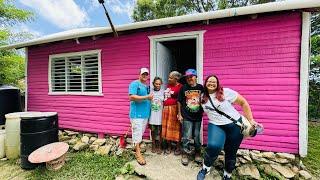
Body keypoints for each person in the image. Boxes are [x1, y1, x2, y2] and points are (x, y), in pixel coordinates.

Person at [197, 75, 257, 180]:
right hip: (216, 125)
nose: (211, 83)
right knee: (213, 146)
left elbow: (243, 103)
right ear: (205, 83)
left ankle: (227, 175)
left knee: (231, 151)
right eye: (209, 81)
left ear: (217, 84)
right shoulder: (201, 97)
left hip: (235, 125)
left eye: (214, 82)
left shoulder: (225, 92)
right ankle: (205, 168)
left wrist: (251, 120)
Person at [177, 69, 204, 166]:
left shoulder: (201, 87)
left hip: (198, 116)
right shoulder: (183, 88)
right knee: (186, 136)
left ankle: (197, 153)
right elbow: (179, 101)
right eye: (187, 77)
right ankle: (185, 153)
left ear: (196, 77)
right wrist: (179, 114)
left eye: (191, 76)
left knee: (197, 136)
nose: (189, 79)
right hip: (186, 116)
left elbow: (205, 99)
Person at [128, 68, 153, 165]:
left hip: (145, 114)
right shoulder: (135, 84)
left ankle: (137, 147)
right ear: (140, 74)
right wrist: (147, 97)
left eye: (146, 74)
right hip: (136, 114)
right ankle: (138, 154)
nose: (145, 76)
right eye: (143, 74)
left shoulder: (146, 86)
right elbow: (131, 97)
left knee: (140, 133)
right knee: (137, 133)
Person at [161, 71, 183, 155]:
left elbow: (180, 100)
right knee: (167, 127)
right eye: (169, 77)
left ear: (176, 79)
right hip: (166, 109)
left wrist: (179, 112)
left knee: (176, 128)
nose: (168, 79)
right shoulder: (169, 86)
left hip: (174, 109)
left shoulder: (180, 87)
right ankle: (169, 146)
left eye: (170, 78)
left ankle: (178, 147)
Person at [149, 77, 164, 154]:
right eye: (156, 84)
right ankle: (153, 145)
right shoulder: (150, 92)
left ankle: (159, 146)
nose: (158, 85)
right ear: (153, 84)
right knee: (153, 131)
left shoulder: (163, 92)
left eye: (159, 84)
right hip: (152, 115)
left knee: (160, 131)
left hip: (160, 115)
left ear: (161, 84)